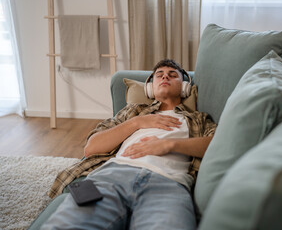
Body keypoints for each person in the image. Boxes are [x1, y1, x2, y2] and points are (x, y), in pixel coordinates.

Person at [41, 59, 217, 230]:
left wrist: (169, 144)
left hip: (168, 184)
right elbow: (91, 148)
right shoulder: (133, 112)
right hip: (111, 177)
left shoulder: (198, 119)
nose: (165, 77)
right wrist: (137, 123)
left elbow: (218, 145)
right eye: (159, 75)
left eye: (172, 75)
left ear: (185, 87)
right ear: (149, 87)